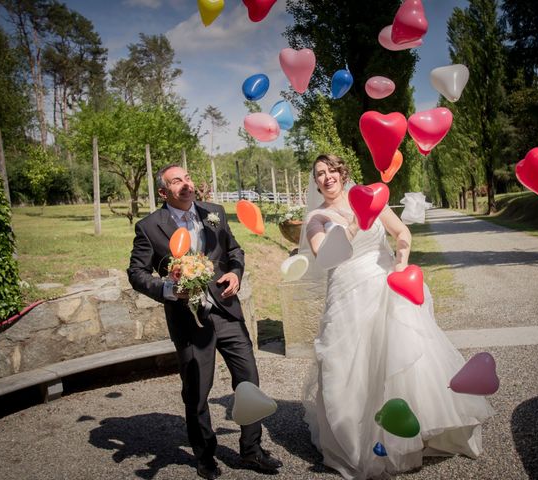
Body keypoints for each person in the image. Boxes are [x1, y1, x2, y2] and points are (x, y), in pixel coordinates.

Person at [301, 154, 495, 479]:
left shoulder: (371, 195)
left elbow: (401, 232)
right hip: (346, 295)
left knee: (397, 354)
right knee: (350, 364)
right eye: (320, 173)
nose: (326, 177)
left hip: (383, 282)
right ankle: (357, 440)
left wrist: (402, 258)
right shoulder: (317, 217)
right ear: (316, 181)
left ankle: (411, 431)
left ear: (341, 171)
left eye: (331, 170)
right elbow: (325, 256)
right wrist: (353, 222)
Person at [127, 164, 282, 480]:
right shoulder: (149, 227)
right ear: (163, 192)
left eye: (187, 178)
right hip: (189, 320)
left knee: (249, 380)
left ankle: (251, 450)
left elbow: (235, 250)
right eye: (176, 181)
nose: (185, 184)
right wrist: (170, 289)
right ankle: (205, 456)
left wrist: (235, 274)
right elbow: (136, 273)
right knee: (197, 391)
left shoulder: (215, 212)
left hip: (227, 311)